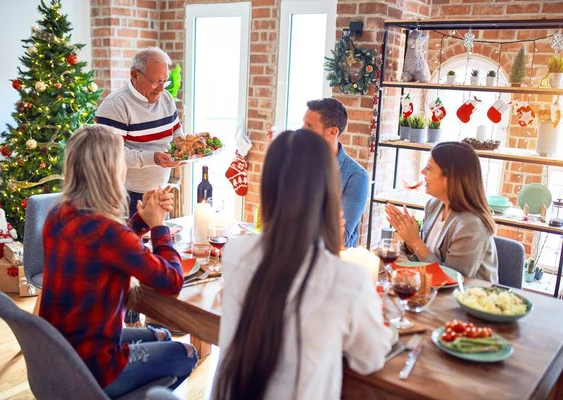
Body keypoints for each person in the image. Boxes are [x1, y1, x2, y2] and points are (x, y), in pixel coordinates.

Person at [213, 129, 391, 400]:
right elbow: (370, 358)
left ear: (268, 188)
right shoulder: (347, 280)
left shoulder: (235, 252)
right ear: (330, 192)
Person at [39, 125, 197, 398]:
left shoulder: (58, 214)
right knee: (187, 352)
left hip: (59, 353)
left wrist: (142, 221)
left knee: (160, 336)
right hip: (94, 368)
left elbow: (105, 248)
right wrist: (159, 227)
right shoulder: (109, 233)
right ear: (110, 171)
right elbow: (171, 282)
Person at [385, 141, 498, 283]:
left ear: (450, 178)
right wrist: (409, 239)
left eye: (429, 168)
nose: (422, 172)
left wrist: (415, 241)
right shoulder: (434, 205)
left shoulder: (471, 225)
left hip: (469, 299)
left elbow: (452, 279)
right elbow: (421, 261)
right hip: (432, 291)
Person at [96, 47, 184, 217]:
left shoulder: (166, 98)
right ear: (134, 75)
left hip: (158, 194)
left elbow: (176, 131)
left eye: (164, 81)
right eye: (156, 81)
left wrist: (182, 150)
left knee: (159, 241)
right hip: (126, 198)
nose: (161, 88)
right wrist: (154, 158)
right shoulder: (115, 105)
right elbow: (113, 155)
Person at [303, 98, 369, 248]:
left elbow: (339, 238)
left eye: (309, 127)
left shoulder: (356, 176)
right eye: (303, 123)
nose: (302, 131)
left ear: (332, 132)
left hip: (333, 262)